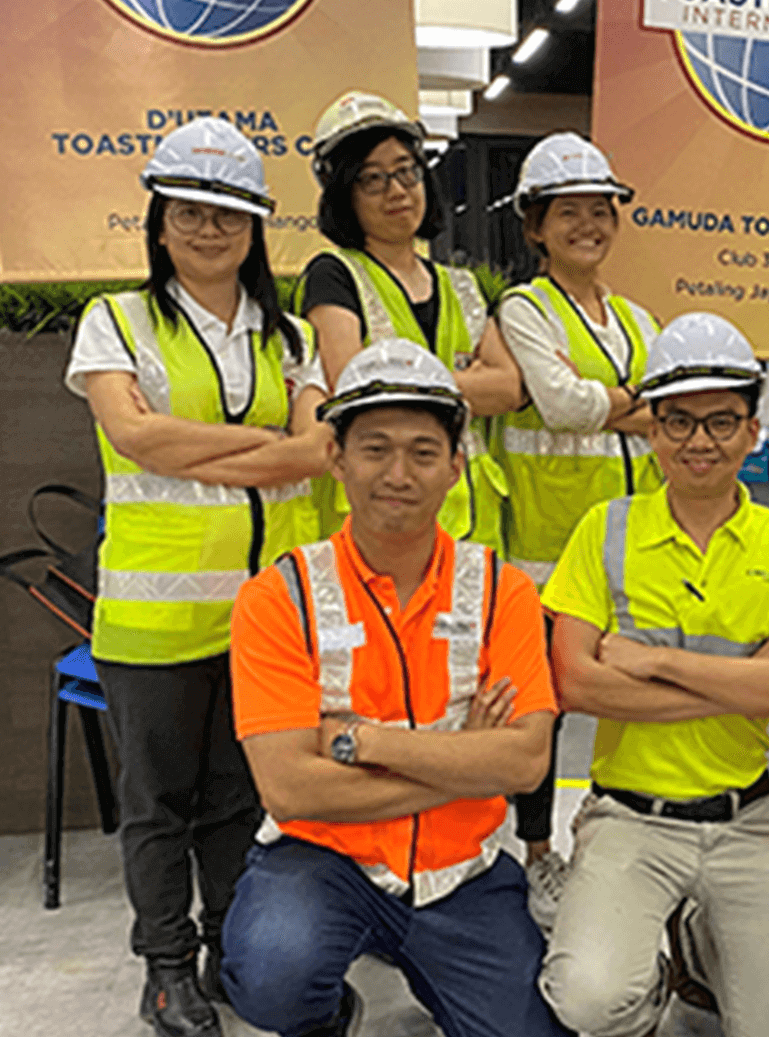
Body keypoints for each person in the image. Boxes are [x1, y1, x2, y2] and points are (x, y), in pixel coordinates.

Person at [63, 117, 330, 1037]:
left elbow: (316, 456)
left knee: (237, 801)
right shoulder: (116, 320)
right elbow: (136, 438)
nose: (209, 229)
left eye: (229, 214)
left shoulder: (287, 335)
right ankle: (166, 968)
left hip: (263, 622)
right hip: (152, 622)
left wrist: (248, 450)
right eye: (189, 211)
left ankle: (229, 949)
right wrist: (270, 445)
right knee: (156, 806)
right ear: (159, 220)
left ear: (256, 227)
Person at [220, 339, 567, 1037]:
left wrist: (360, 741)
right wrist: (464, 766)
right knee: (272, 973)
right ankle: (325, 1013)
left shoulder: (503, 590)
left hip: (461, 871)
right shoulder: (280, 596)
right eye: (375, 449)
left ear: (455, 466)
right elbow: (290, 790)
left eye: (423, 451)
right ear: (336, 459)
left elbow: (525, 763)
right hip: (323, 859)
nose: (398, 473)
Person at [539, 313, 769, 1037]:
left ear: (751, 429)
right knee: (589, 998)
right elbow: (575, 683)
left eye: (720, 421)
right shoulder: (605, 530)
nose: (699, 441)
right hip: (630, 819)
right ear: (651, 429)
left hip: (749, 824)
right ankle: (648, 977)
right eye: (678, 422)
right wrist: (740, 681)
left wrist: (656, 663)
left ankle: (699, 946)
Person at [495, 131, 663, 910]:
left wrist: (618, 412)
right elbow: (559, 404)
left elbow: (666, 406)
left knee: (626, 695)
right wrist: (632, 411)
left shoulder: (633, 317)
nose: (588, 225)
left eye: (601, 211)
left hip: (628, 549)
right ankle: (534, 851)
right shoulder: (525, 309)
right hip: (543, 547)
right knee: (545, 709)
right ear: (535, 226)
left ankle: (618, 830)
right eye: (569, 213)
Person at [299, 90, 521, 549]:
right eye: (373, 180)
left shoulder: (461, 284)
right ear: (344, 193)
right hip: (382, 523)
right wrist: (462, 379)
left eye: (406, 172)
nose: (397, 191)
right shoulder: (334, 275)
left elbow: (509, 387)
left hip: (473, 525)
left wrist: (400, 382)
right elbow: (353, 386)